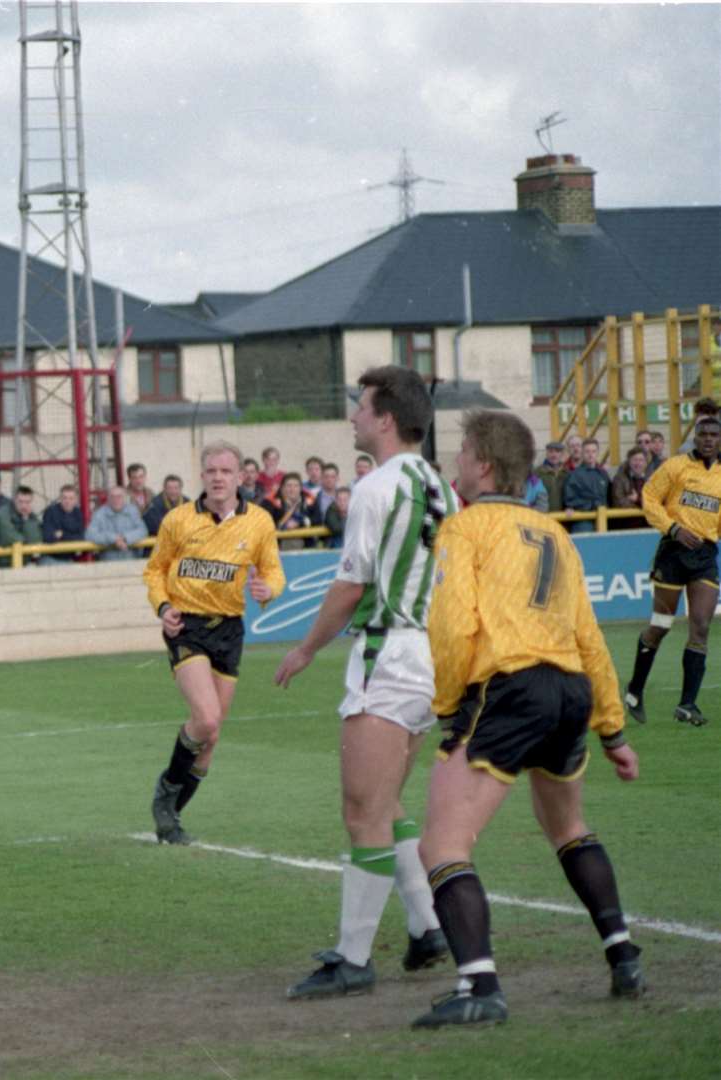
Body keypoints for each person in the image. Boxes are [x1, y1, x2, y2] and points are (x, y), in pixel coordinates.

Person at [409, 409, 642, 1028]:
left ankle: (479, 987)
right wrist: (611, 726)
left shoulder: (465, 529)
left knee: (442, 844)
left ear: (483, 465)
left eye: (461, 452)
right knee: (567, 826)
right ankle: (623, 954)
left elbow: (453, 624)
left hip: (509, 687)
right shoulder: (555, 533)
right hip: (568, 689)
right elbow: (589, 636)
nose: (455, 461)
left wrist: (450, 706)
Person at [274, 365, 454, 1000]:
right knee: (388, 803)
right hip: (425, 655)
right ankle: (427, 928)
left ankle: (353, 959)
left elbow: (350, 586)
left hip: (389, 654)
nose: (351, 416)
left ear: (384, 419)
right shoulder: (436, 483)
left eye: (360, 407)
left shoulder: (376, 488)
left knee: (361, 813)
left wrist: (303, 650)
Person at [146, 441, 284, 845]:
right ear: (202, 476)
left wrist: (267, 589)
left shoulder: (258, 522)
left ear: (241, 476)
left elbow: (275, 572)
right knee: (205, 719)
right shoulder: (178, 520)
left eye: (226, 471)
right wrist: (163, 606)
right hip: (185, 627)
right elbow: (155, 571)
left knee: (212, 738)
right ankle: (166, 794)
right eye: (211, 471)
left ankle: (171, 817)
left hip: (229, 631)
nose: (219, 478)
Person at [622, 408, 720, 727]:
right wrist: (673, 528)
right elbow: (649, 498)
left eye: (714, 436)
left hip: (704, 557)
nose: (708, 441)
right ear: (695, 437)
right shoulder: (676, 466)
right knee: (662, 625)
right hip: (673, 554)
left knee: (701, 627)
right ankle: (635, 689)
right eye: (703, 435)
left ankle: (687, 704)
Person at [86, 485, 148, 560]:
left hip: (131, 561)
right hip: (107, 564)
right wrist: (113, 538)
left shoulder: (132, 511)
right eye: (112, 497)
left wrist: (125, 538)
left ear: (124, 498)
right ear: (108, 499)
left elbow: (143, 530)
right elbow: (90, 534)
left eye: (119, 496)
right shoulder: (100, 513)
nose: (116, 499)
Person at [563, 437, 610, 532]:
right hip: (583, 522)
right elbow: (570, 500)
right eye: (587, 451)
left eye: (593, 451)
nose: (590, 455)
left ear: (597, 453)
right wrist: (594, 505)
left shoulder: (603, 474)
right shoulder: (575, 475)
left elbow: (608, 497)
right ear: (582, 453)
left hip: (603, 520)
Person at [269, 472, 317, 550]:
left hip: (305, 549)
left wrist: (300, 523)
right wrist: (283, 525)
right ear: (282, 487)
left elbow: (317, 520)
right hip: (279, 549)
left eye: (296, 486)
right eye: (289, 486)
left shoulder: (310, 502)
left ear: (301, 488)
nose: (292, 489)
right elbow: (267, 523)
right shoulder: (271, 503)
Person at [608, 447, 649, 528]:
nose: (638, 463)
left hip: (647, 525)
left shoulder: (650, 480)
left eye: (641, 460)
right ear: (629, 462)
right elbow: (619, 503)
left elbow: (656, 504)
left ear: (645, 463)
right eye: (635, 460)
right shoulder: (619, 479)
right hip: (625, 525)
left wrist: (637, 499)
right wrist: (643, 505)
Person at [42, 483, 86, 559]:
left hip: (71, 557)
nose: (67, 501)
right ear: (60, 499)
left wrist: (62, 535)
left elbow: (82, 537)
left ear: (76, 500)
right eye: (64, 498)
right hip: (51, 557)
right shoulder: (51, 512)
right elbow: (48, 537)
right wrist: (71, 535)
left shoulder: (78, 513)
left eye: (71, 498)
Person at [0, 485, 44, 555]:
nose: (24, 506)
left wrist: (26, 519)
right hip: (5, 561)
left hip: (26, 560)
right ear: (15, 500)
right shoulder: (4, 513)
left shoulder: (32, 516)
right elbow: (9, 538)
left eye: (27, 502)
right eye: (20, 502)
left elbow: (36, 541)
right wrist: (27, 542)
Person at [537, 440, 570, 512]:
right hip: (544, 515)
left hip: (564, 517)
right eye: (551, 451)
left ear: (561, 454)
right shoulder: (538, 473)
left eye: (557, 452)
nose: (554, 455)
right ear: (547, 453)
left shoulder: (567, 473)